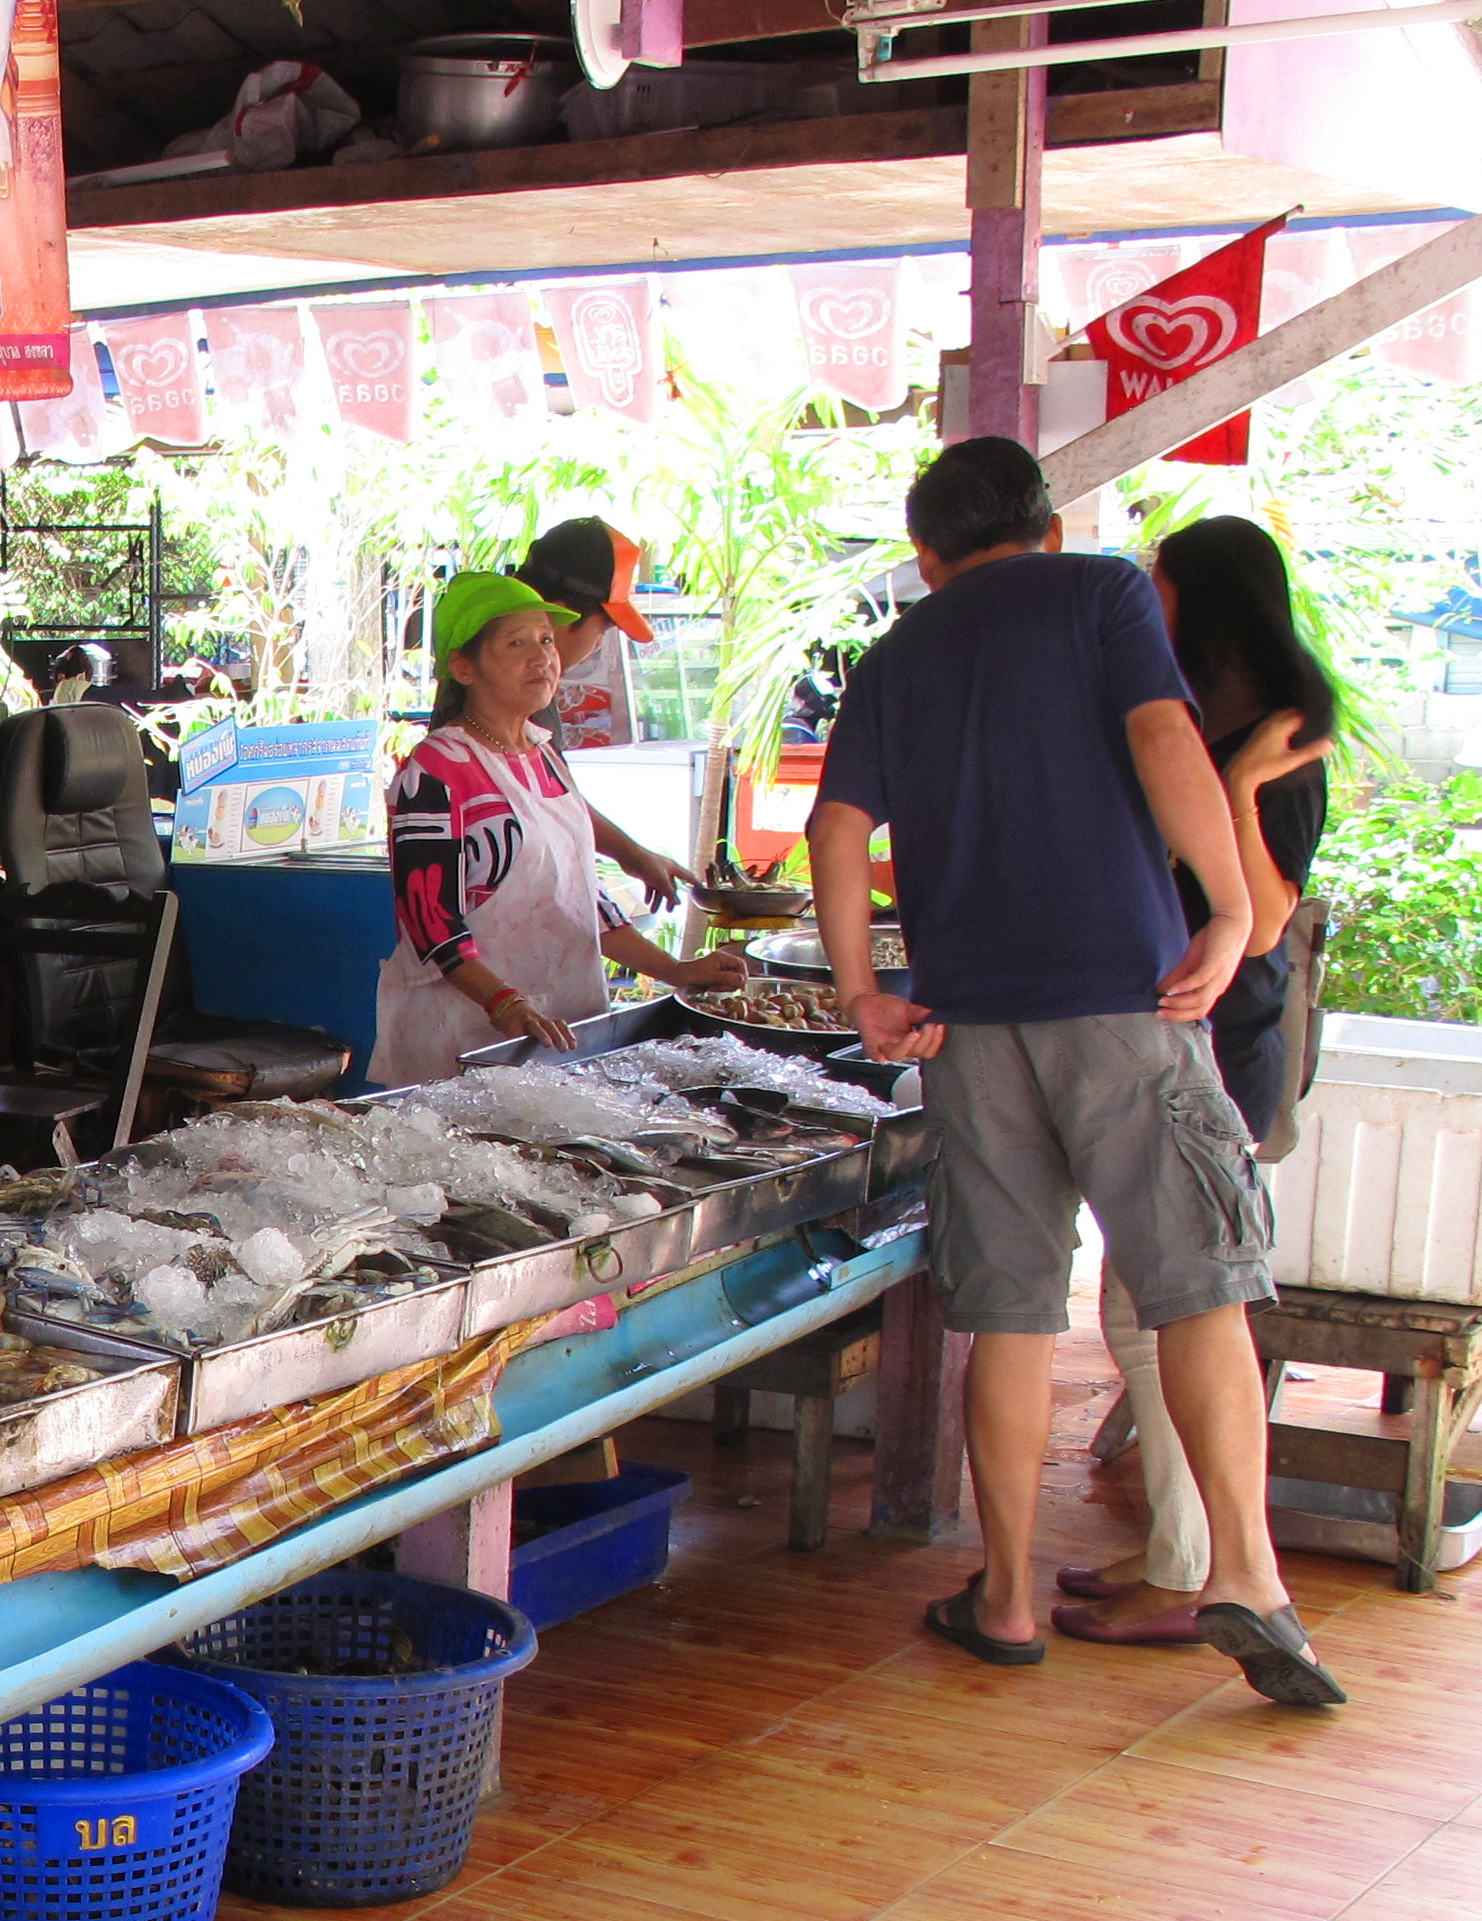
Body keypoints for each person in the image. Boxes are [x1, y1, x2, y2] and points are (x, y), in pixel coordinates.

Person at [812, 438, 1343, 1708]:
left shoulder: (896, 656)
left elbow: (837, 828)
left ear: (927, 557)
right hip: (1126, 1000)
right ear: (1046, 531)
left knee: (1008, 1314)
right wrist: (1224, 905)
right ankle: (1249, 1578)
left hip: (966, 1026)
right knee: (1195, 1292)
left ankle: (1001, 1596)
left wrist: (860, 990)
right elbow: (1164, 734)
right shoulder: (1099, 591)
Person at [1058, 516, 1339, 1648]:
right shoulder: (1204, 720)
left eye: (1159, 585)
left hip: (1220, 1044)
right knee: (1144, 1305)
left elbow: (1263, 915)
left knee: (1160, 1304)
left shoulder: (1274, 737)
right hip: (1174, 1034)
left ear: (1202, 601)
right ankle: (1180, 1550)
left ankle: (1194, 1568)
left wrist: (1232, 779)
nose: (1146, 602)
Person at [370, 570, 751, 1084]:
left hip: (560, 1032)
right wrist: (503, 1001)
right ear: (464, 666)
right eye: (517, 643)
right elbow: (429, 920)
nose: (542, 657)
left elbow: (581, 901)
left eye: (547, 639)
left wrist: (676, 972)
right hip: (464, 1039)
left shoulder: (541, 753)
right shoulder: (436, 768)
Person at [513, 516, 705, 907]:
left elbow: (556, 796)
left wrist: (633, 855)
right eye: (601, 631)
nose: (598, 646)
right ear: (561, 615)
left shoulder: (517, 698)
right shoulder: (513, 705)